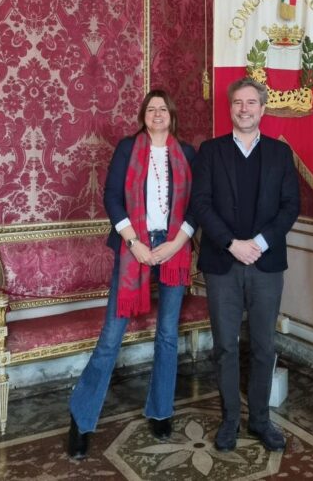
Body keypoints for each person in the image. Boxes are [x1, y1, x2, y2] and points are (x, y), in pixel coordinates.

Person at [67, 90, 196, 459]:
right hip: (133, 245)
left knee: (167, 335)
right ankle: (81, 419)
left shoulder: (188, 153)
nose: (157, 114)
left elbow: (196, 204)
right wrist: (134, 242)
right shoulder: (127, 148)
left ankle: (161, 411)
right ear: (143, 116)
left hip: (174, 247)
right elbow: (111, 196)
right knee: (111, 336)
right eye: (151, 109)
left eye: (163, 109)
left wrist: (175, 244)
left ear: (172, 115)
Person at [191, 77, 300, 453]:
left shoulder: (280, 153)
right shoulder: (210, 151)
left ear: (263, 108)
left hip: (266, 264)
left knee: (264, 346)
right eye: (238, 102)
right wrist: (232, 243)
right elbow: (201, 202)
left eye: (251, 102)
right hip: (222, 262)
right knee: (225, 345)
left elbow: (291, 206)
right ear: (230, 108)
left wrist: (260, 243)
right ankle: (229, 421)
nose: (245, 109)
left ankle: (260, 420)